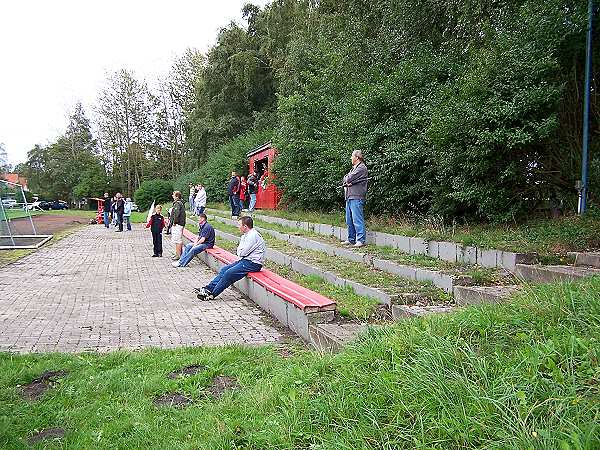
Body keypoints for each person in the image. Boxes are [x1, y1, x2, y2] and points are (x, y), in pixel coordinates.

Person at [195, 216, 265, 301]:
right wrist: (240, 249)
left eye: (239, 225)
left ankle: (212, 294)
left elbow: (241, 253)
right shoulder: (246, 235)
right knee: (224, 269)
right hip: (246, 260)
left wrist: (240, 250)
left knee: (229, 273)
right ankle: (208, 288)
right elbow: (240, 252)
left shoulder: (252, 236)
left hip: (253, 263)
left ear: (245, 226)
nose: (237, 226)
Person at [341, 150, 368, 247]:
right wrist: (347, 179)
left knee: (357, 219)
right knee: (349, 220)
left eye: (352, 156)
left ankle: (360, 240)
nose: (351, 158)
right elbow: (345, 178)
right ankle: (351, 239)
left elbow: (348, 178)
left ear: (357, 157)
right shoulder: (354, 168)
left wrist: (348, 180)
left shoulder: (361, 168)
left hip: (356, 196)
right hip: (349, 196)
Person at [170, 191, 186, 260]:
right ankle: (178, 253)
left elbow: (176, 214)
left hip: (178, 224)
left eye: (173, 195)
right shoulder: (180, 203)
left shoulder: (177, 203)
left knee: (177, 240)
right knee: (177, 239)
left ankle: (178, 255)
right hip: (179, 224)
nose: (172, 196)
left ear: (177, 196)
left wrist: (174, 222)